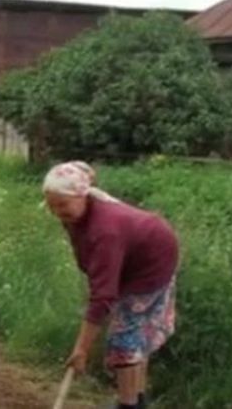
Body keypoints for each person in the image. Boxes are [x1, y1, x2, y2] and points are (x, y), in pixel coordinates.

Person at [42, 161, 179, 409]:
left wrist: (81, 349)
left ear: (82, 195)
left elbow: (103, 296)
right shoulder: (80, 211)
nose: (56, 211)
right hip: (143, 256)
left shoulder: (105, 231)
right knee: (134, 335)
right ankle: (138, 401)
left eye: (62, 204)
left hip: (149, 267)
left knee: (124, 342)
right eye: (51, 205)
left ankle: (128, 405)